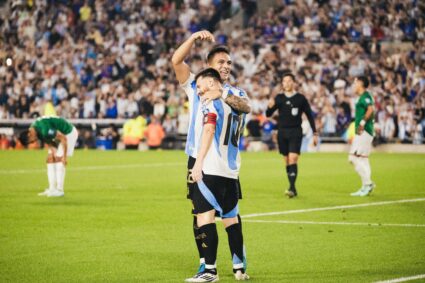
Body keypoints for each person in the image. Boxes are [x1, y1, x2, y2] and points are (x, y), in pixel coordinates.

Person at [172, 30, 250, 277]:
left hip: (215, 161)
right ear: (209, 66)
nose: (226, 66)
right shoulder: (197, 84)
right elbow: (176, 61)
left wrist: (222, 94)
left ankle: (212, 267)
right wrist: (193, 39)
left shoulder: (233, 92)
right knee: (199, 213)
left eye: (228, 62)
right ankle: (208, 261)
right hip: (198, 157)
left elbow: (244, 107)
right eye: (221, 62)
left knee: (221, 214)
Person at [186, 68, 249, 282]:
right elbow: (245, 109)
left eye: (201, 87)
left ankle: (209, 271)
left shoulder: (212, 103)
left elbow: (209, 130)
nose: (199, 92)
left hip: (211, 169)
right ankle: (239, 268)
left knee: (204, 216)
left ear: (213, 83)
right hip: (231, 171)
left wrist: (198, 163)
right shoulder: (235, 102)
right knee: (231, 219)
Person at [266, 72, 318, 198]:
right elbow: (268, 114)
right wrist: (269, 106)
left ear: (293, 82)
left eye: (289, 81)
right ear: (282, 84)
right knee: (286, 161)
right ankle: (292, 187)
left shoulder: (300, 98)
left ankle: (292, 188)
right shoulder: (279, 98)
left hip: (295, 131)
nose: (287, 83)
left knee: (293, 158)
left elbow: (310, 115)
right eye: (284, 81)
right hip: (282, 132)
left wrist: (315, 133)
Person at [19, 116, 79, 197]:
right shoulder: (34, 129)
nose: (33, 142)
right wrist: (53, 150)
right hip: (59, 135)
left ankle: (60, 190)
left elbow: (63, 138)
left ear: (29, 134)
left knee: (59, 159)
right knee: (50, 159)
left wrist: (64, 157)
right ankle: (52, 189)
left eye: (31, 141)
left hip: (68, 133)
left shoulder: (45, 129)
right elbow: (47, 139)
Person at [349, 76, 376, 196]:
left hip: (364, 131)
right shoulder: (362, 97)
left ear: (360, 83)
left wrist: (362, 123)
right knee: (363, 159)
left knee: (353, 158)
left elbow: (370, 109)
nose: (353, 85)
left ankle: (368, 183)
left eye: (355, 82)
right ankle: (365, 187)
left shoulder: (366, 96)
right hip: (364, 131)